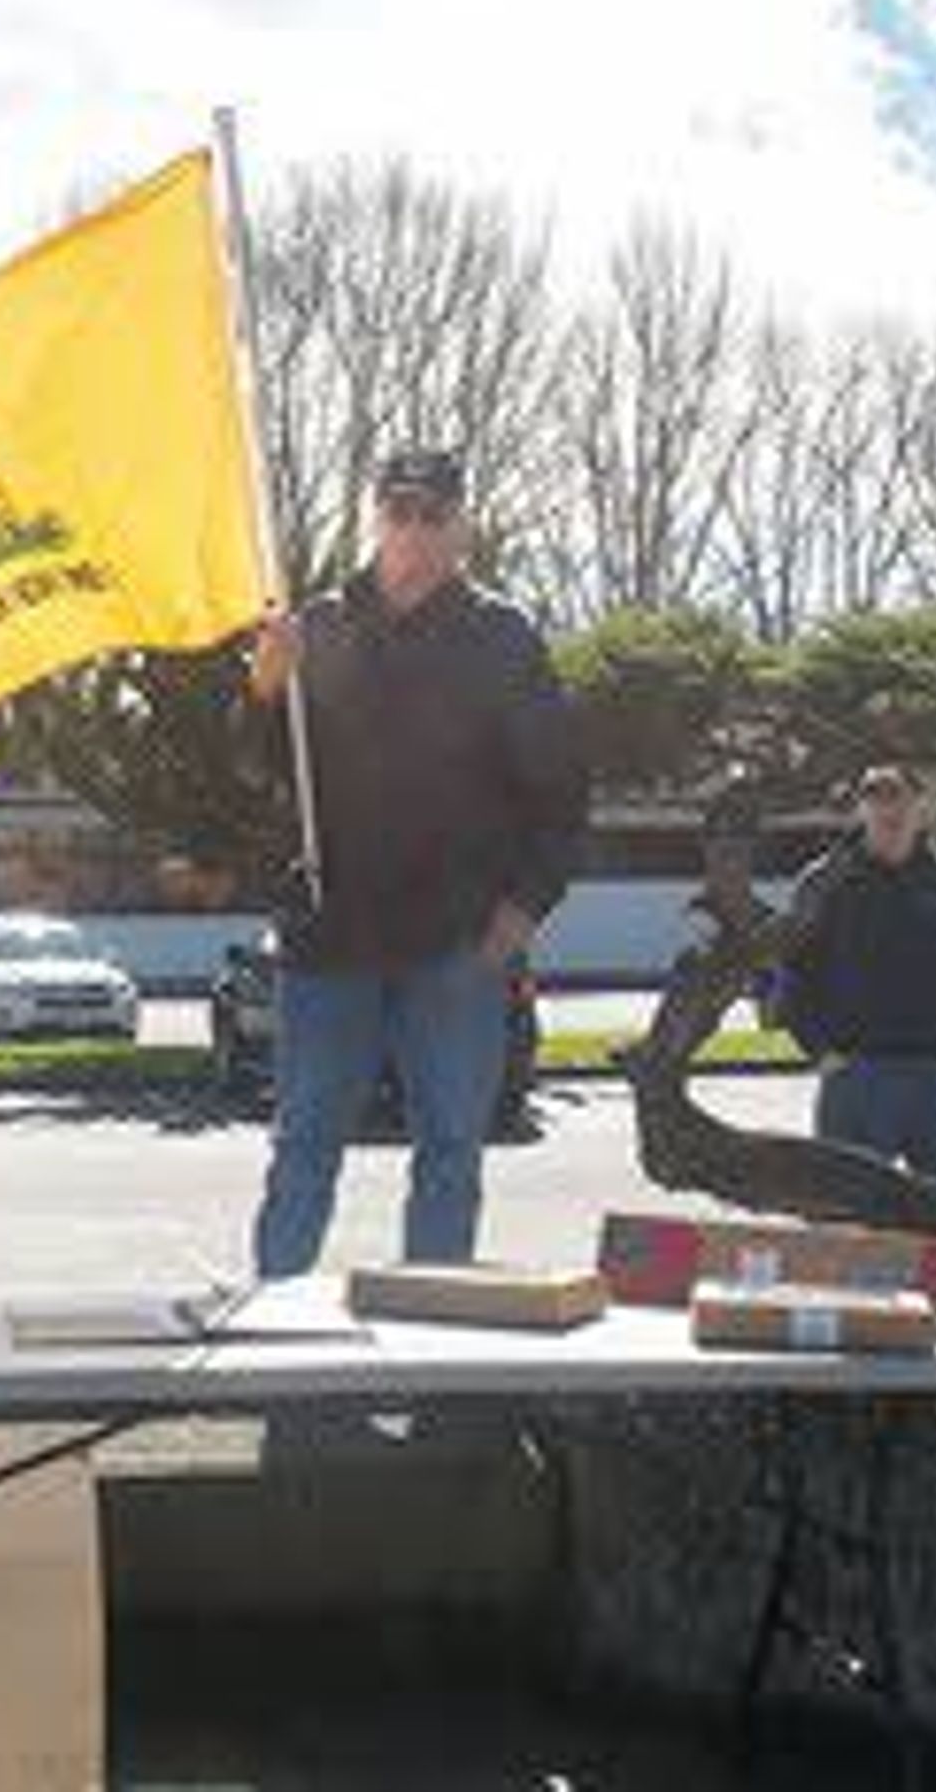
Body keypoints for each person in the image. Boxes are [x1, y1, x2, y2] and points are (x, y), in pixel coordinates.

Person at [245, 450, 586, 1279]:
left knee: (451, 1149)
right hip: (330, 937)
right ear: (374, 517)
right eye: (400, 511)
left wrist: (524, 909)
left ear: (462, 525)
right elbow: (257, 771)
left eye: (435, 514)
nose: (416, 530)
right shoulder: (313, 626)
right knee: (304, 1148)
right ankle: (274, 1333)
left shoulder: (504, 637)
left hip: (457, 945)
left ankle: (433, 1337)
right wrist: (260, 688)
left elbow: (562, 791)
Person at [774, 763, 936, 1210]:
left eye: (900, 798)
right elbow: (792, 971)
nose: (889, 810)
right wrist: (819, 1050)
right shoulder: (826, 882)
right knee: (845, 1216)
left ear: (922, 808)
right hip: (856, 1073)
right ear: (861, 809)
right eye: (877, 799)